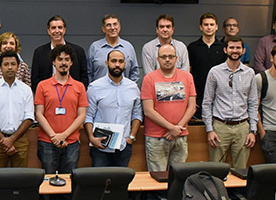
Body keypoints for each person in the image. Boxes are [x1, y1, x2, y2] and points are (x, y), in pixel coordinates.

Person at [202, 37, 258, 169]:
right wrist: (209, 129)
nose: (235, 50)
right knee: (216, 169)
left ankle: (238, 191)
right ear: (225, 50)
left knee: (241, 170)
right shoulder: (215, 72)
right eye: (231, 47)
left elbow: (253, 102)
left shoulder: (250, 73)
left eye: (238, 48)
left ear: (243, 50)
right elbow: (207, 102)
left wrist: (252, 130)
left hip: (242, 127)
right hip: (220, 126)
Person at [141, 43, 196, 171]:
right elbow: (148, 110)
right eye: (164, 56)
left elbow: (192, 107)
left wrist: (177, 129)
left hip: (181, 135)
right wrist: (171, 128)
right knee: (157, 178)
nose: (167, 60)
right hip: (156, 137)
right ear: (158, 59)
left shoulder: (187, 77)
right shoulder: (149, 79)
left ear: (176, 59)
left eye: (171, 57)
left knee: (179, 177)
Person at [34, 45, 87, 175]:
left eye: (67, 59)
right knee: (47, 180)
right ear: (53, 62)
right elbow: (39, 114)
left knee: (69, 181)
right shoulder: (42, 85)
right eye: (60, 59)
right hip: (47, 141)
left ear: (71, 62)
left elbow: (81, 115)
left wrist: (64, 135)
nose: (63, 63)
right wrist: (54, 136)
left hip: (71, 141)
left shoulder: (79, 86)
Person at [85, 50, 142, 168]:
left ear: (125, 64)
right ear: (106, 63)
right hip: (100, 145)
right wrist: (91, 138)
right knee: (99, 184)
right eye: (113, 61)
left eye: (121, 61)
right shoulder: (95, 87)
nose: (117, 64)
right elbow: (88, 115)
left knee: (121, 183)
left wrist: (132, 137)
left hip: (123, 145)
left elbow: (137, 115)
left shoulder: (133, 87)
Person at [0, 51, 35, 168]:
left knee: (21, 180)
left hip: (20, 140)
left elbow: (29, 117)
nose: (10, 67)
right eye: (6, 64)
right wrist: (5, 140)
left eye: (13, 64)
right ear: (0, 67)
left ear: (18, 66)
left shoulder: (26, 90)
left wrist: (12, 139)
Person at [30, 15, 89, 88]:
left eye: (60, 27)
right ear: (48, 31)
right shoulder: (39, 52)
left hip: (72, 95)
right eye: (53, 28)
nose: (57, 31)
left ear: (64, 30)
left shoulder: (78, 51)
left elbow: (84, 77)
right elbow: (35, 79)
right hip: (47, 96)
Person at [188, 13, 226, 116]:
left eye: (212, 24)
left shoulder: (224, 48)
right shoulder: (192, 47)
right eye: (206, 24)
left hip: (219, 97)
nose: (209, 27)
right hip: (198, 96)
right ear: (201, 27)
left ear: (216, 27)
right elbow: (188, 73)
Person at [87, 15, 139, 83]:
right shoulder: (95, 47)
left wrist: (129, 89)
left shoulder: (128, 47)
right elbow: (89, 73)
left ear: (119, 27)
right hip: (100, 91)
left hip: (123, 91)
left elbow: (134, 72)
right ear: (103, 29)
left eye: (115, 24)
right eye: (108, 25)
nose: (112, 28)